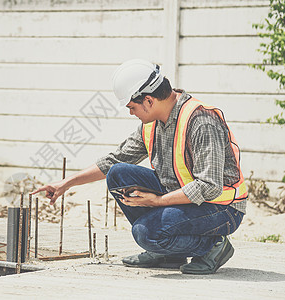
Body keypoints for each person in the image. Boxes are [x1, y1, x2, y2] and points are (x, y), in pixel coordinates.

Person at [32, 59, 248, 274]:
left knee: (146, 234)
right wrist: (67, 183)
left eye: (132, 107)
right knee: (118, 175)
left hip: (221, 207)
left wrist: (158, 201)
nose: (130, 113)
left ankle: (213, 246)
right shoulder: (151, 123)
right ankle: (168, 251)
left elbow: (209, 186)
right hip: (182, 195)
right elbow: (114, 160)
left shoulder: (201, 122)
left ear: (149, 100)